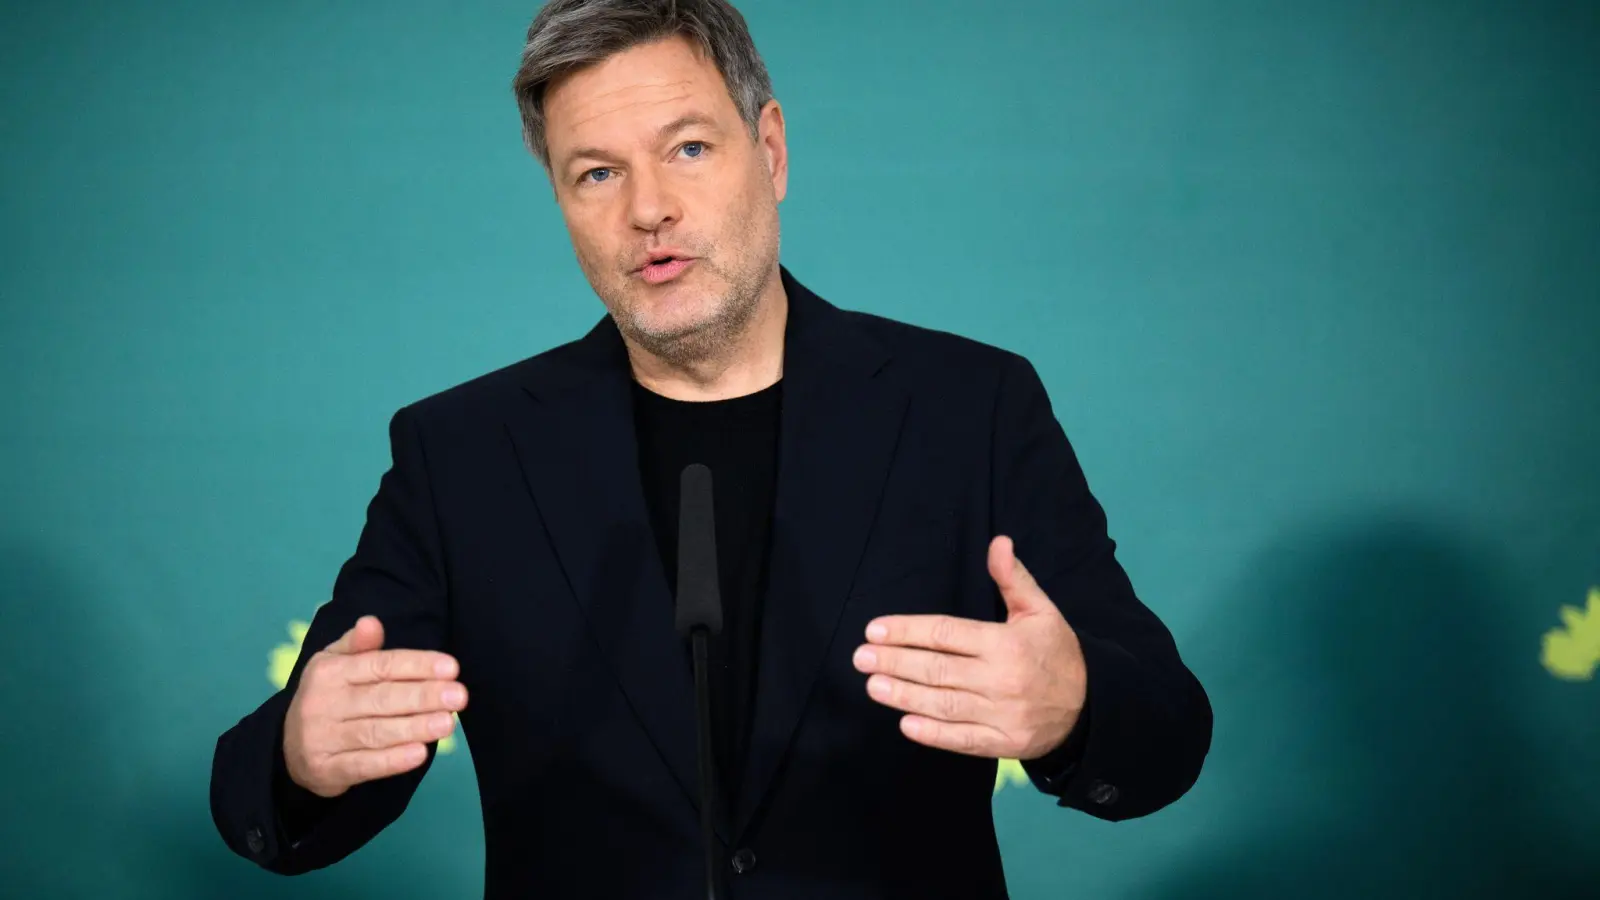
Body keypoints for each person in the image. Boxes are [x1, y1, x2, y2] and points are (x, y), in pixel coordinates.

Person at [209, 0, 1213, 896]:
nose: (647, 208)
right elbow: (274, 790)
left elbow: (1165, 732)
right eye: (596, 172)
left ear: (769, 151)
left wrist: (1073, 703)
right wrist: (301, 756)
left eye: (687, 148)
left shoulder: (967, 406)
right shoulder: (463, 452)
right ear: (559, 199)